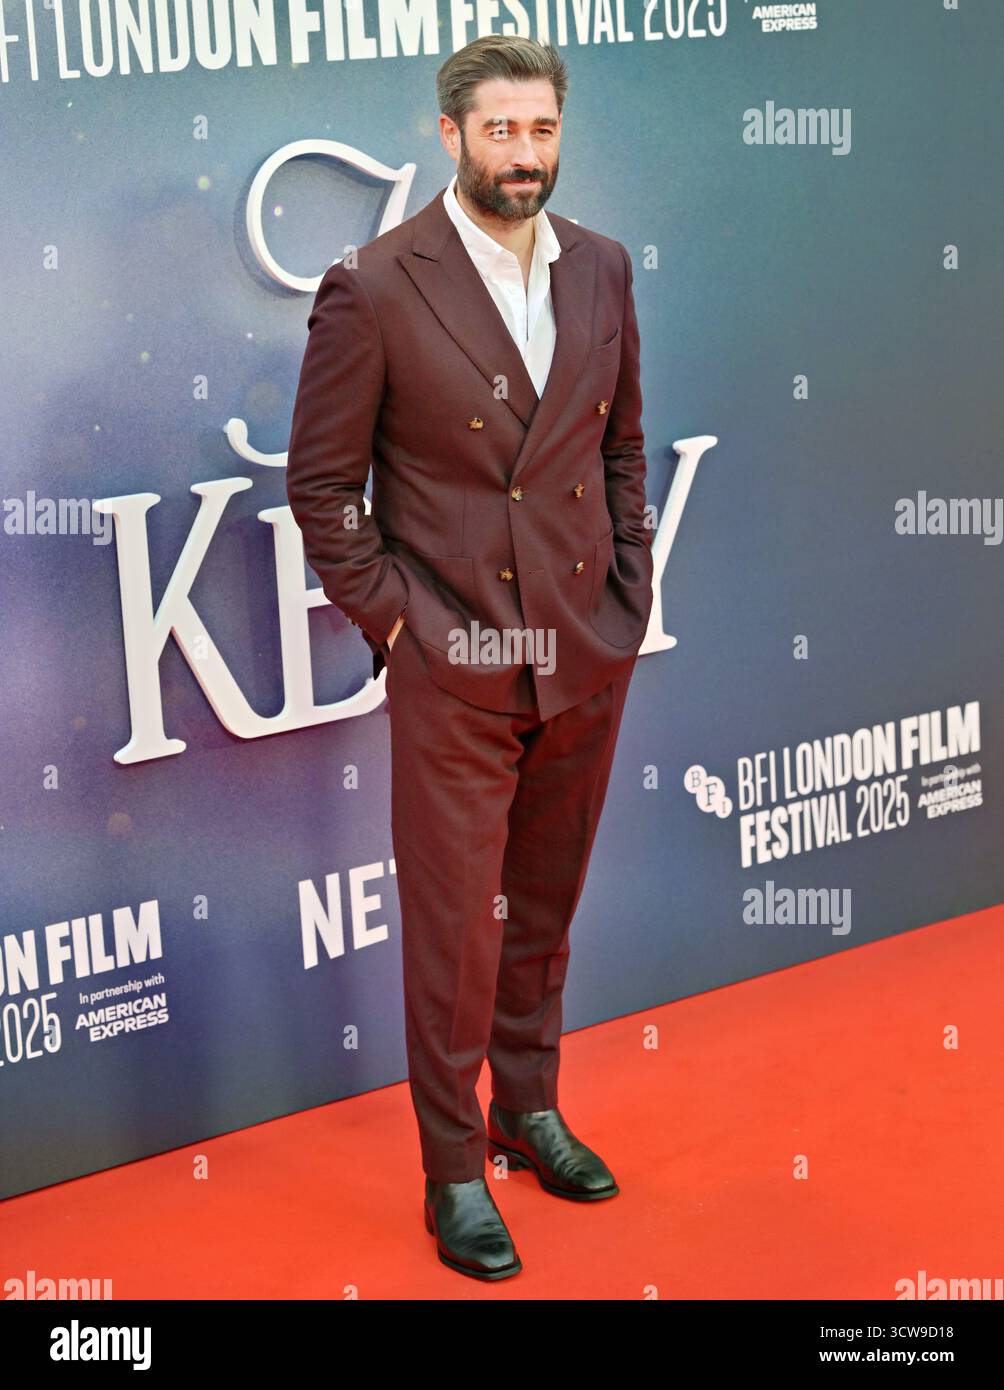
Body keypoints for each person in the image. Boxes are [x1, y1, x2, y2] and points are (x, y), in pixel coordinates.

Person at [285, 34, 654, 1281]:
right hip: (455, 659)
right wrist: (401, 627)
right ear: (449, 136)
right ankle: (452, 1169)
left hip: (582, 649)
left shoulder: (600, 266)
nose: (523, 153)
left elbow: (619, 449)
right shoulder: (374, 286)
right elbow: (323, 488)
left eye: (541, 129)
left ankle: (526, 1108)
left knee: (540, 909)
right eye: (500, 130)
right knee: (456, 932)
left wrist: (626, 587)